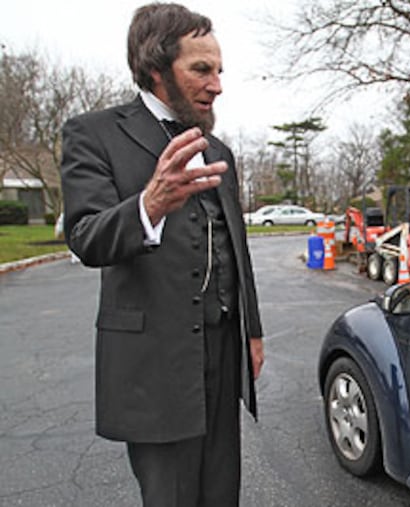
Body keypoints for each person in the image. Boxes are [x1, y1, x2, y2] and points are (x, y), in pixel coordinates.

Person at [59, 4, 263, 506]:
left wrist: (251, 330)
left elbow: (236, 245)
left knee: (221, 491)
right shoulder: (94, 133)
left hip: (221, 351)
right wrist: (149, 204)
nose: (216, 85)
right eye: (201, 69)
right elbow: (86, 237)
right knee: (170, 496)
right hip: (154, 360)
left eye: (218, 71)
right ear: (155, 68)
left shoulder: (218, 151)